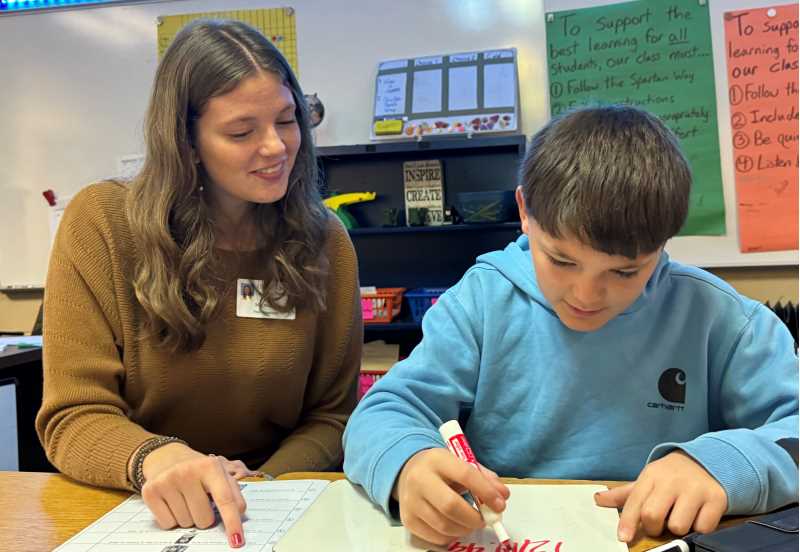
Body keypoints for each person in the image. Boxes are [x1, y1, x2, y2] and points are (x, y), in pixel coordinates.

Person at [343, 105, 798, 547]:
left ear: (663, 243)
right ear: (524, 210)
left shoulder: (723, 319)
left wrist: (723, 465)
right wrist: (409, 464)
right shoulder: (482, 302)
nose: (585, 296)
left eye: (624, 272)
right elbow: (383, 412)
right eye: (561, 260)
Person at [36, 19, 362, 549]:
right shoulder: (102, 223)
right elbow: (74, 415)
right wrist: (160, 460)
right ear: (185, 142)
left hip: (268, 506)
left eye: (287, 120)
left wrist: (261, 484)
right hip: (134, 502)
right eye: (241, 132)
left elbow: (332, 414)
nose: (277, 147)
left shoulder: (325, 242)